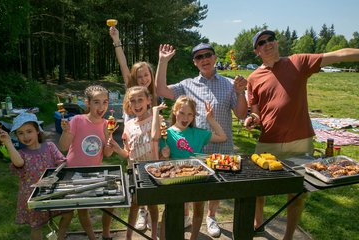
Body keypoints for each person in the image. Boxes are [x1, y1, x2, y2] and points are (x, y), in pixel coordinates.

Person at [244, 29, 359, 240]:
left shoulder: (299, 61)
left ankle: (288, 236)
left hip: (300, 139)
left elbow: (338, 55)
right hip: (268, 140)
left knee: (297, 193)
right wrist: (252, 119)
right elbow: (256, 112)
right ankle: (257, 224)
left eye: (271, 39)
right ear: (256, 51)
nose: (268, 43)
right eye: (262, 42)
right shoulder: (253, 78)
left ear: (276, 42)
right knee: (257, 189)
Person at [155, 43, 248, 237]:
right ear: (195, 63)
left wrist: (240, 93)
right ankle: (187, 216)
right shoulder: (187, 84)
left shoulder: (230, 84)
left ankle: (211, 216)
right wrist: (163, 62)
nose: (204, 59)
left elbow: (240, 114)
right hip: (193, 148)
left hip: (221, 147)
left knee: (215, 189)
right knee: (190, 187)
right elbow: (160, 89)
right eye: (199, 57)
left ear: (215, 57)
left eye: (207, 55)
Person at [153, 95, 227, 240]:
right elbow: (162, 161)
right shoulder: (166, 134)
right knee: (171, 211)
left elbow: (222, 137)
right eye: (181, 113)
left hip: (198, 178)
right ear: (175, 112)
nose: (185, 117)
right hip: (175, 181)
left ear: (193, 116)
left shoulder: (198, 133)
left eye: (189, 114)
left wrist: (210, 119)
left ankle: (193, 237)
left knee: (199, 209)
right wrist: (164, 155)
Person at [109, 25, 159, 228]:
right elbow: (122, 64)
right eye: (139, 76)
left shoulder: (156, 96)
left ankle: (151, 213)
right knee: (135, 181)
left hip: (150, 145)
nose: (143, 79)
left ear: (151, 75)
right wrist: (116, 41)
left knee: (151, 180)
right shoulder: (132, 90)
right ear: (134, 78)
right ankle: (141, 213)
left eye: (146, 75)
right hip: (133, 142)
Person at [0, 112, 73, 240]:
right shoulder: (20, 154)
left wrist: (57, 171)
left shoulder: (49, 146)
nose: (25, 136)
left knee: (68, 213)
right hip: (33, 196)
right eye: (20, 133)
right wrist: (8, 143)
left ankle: (60, 236)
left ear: (37, 131)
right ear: (16, 136)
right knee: (37, 226)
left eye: (29, 131)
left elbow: (62, 162)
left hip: (53, 192)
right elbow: (18, 163)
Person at [59, 84, 115, 240]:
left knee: (110, 204)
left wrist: (110, 141)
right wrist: (65, 132)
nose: (101, 106)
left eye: (105, 102)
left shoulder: (106, 124)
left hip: (95, 171)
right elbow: (63, 146)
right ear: (87, 103)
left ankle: (106, 233)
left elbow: (108, 154)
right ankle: (92, 237)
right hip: (74, 172)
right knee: (83, 209)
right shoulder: (77, 120)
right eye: (96, 102)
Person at [107, 86, 161, 240]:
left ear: (149, 100)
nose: (137, 104)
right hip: (134, 171)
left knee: (152, 205)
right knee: (134, 205)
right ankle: (128, 236)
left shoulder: (155, 119)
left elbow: (158, 138)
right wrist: (117, 148)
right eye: (132, 101)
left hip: (152, 171)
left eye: (140, 100)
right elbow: (127, 154)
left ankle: (155, 234)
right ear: (128, 104)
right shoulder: (129, 125)